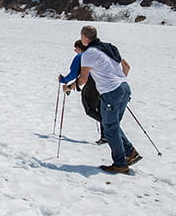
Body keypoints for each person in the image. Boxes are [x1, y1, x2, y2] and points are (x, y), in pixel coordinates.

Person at [63, 26, 140, 174]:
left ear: (85, 37)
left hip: (112, 92)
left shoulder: (89, 53)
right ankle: (130, 152)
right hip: (124, 87)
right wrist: (119, 81)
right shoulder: (110, 47)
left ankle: (120, 163)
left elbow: (83, 79)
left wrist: (69, 87)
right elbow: (126, 66)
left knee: (110, 128)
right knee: (112, 125)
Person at [58, 40, 106, 144]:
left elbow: (74, 73)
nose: (75, 51)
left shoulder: (80, 57)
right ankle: (105, 135)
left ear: (79, 48)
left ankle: (108, 125)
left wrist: (63, 80)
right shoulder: (94, 54)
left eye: (75, 49)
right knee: (100, 107)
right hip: (102, 83)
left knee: (89, 109)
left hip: (92, 82)